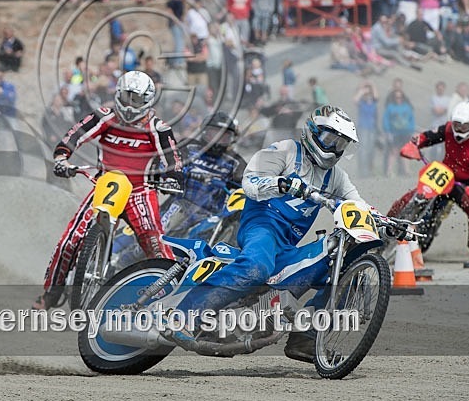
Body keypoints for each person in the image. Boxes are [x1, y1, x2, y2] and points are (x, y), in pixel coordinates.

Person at [168, 105, 365, 363]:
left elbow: (357, 204)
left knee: (343, 268)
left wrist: (384, 222)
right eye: (330, 139)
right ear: (313, 132)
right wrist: (280, 183)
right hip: (262, 227)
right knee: (257, 267)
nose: (334, 148)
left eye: (341, 144)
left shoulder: (336, 177)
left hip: (288, 246)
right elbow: (250, 183)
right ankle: (184, 316)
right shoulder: (285, 150)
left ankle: (305, 339)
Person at [34, 71, 183, 309]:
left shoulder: (158, 127)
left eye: (136, 99)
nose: (129, 104)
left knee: (155, 244)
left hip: (140, 190)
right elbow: (74, 136)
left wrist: (173, 178)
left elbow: (173, 159)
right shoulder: (105, 116)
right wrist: (62, 157)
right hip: (105, 183)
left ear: (147, 100)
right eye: (126, 97)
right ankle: (51, 294)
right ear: (117, 94)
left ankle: (174, 298)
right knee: (69, 242)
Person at [114, 112, 248, 267]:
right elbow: (168, 164)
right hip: (180, 203)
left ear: (232, 139)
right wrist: (180, 174)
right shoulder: (188, 146)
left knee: (205, 245)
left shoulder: (235, 161)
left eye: (224, 136)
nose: (218, 140)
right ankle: (124, 260)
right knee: (158, 235)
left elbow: (245, 183)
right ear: (204, 131)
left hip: (210, 214)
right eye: (214, 134)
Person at [389, 102, 469, 250]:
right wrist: (414, 145)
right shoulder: (448, 128)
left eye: (465, 126)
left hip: (467, 187)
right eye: (457, 124)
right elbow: (427, 136)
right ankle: (386, 224)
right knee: (410, 197)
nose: (460, 129)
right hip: (444, 176)